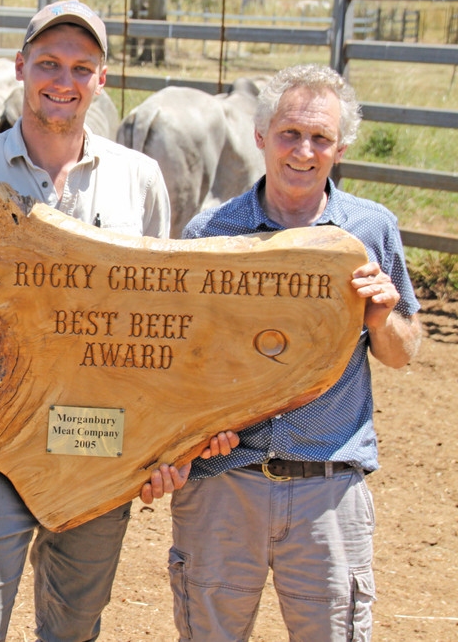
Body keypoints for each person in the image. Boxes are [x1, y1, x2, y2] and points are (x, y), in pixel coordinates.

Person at [0, 0, 237, 642]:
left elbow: (157, 311)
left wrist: (162, 436)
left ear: (101, 80)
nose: (63, 80)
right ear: (21, 67)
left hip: (100, 440)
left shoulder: (139, 179)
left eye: (82, 67)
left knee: (73, 628)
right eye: (48, 62)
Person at [171, 63, 423, 641]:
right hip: (223, 482)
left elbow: (403, 352)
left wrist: (382, 318)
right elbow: (184, 362)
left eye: (320, 137)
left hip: (327, 485)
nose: (303, 150)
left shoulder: (371, 229)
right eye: (289, 133)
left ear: (341, 146)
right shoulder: (211, 234)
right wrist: (194, 430)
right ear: (260, 136)